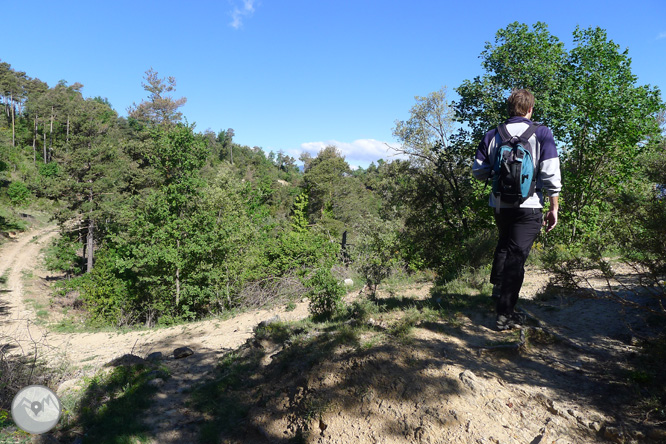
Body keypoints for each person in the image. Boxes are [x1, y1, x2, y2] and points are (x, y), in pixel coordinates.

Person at [472, 89, 561, 331]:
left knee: (504, 243)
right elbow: (551, 173)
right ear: (531, 109)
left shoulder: (493, 133)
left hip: (500, 204)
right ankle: (505, 315)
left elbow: (478, 171)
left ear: (509, 109)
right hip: (529, 205)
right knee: (516, 258)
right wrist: (554, 207)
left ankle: (497, 291)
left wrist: (496, 174)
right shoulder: (541, 133)